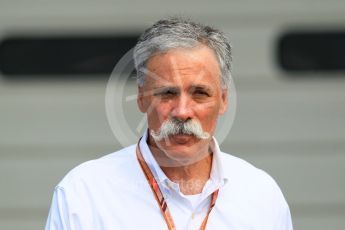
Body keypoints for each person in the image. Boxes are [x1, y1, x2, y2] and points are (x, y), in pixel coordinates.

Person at [45, 17, 293, 230]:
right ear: (141, 98)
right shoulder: (83, 194)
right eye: (167, 93)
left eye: (199, 93)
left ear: (223, 100)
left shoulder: (262, 195)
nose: (183, 112)